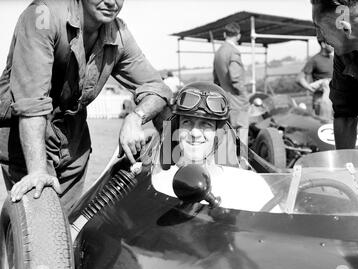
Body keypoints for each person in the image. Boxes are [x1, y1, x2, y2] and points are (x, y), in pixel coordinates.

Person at [0, 0, 171, 215]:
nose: (111, 1)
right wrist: (37, 171)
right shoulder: (42, 15)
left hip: (73, 140)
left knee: (63, 228)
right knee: (40, 224)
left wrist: (136, 117)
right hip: (28, 133)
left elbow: (157, 87)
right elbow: (32, 103)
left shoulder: (118, 32)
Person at [152, 81, 279, 212]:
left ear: (219, 133)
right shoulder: (158, 183)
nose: (195, 132)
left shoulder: (251, 187)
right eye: (186, 122)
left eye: (206, 124)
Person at [311, 0, 358, 149]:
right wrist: (345, 167)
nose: (319, 38)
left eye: (319, 27)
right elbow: (345, 114)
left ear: (343, 20)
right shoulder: (347, 54)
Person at [213, 22, 250, 146]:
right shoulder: (234, 52)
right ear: (238, 36)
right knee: (242, 136)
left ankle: (228, 162)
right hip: (238, 101)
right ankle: (241, 163)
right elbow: (236, 78)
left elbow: (216, 80)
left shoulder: (218, 53)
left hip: (225, 101)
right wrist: (245, 97)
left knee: (228, 135)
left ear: (225, 34)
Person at [296, 39, 334, 118]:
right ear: (323, 44)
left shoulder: (334, 59)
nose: (333, 45)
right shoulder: (314, 60)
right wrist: (309, 87)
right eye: (331, 43)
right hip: (320, 100)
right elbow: (299, 78)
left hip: (335, 99)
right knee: (323, 127)